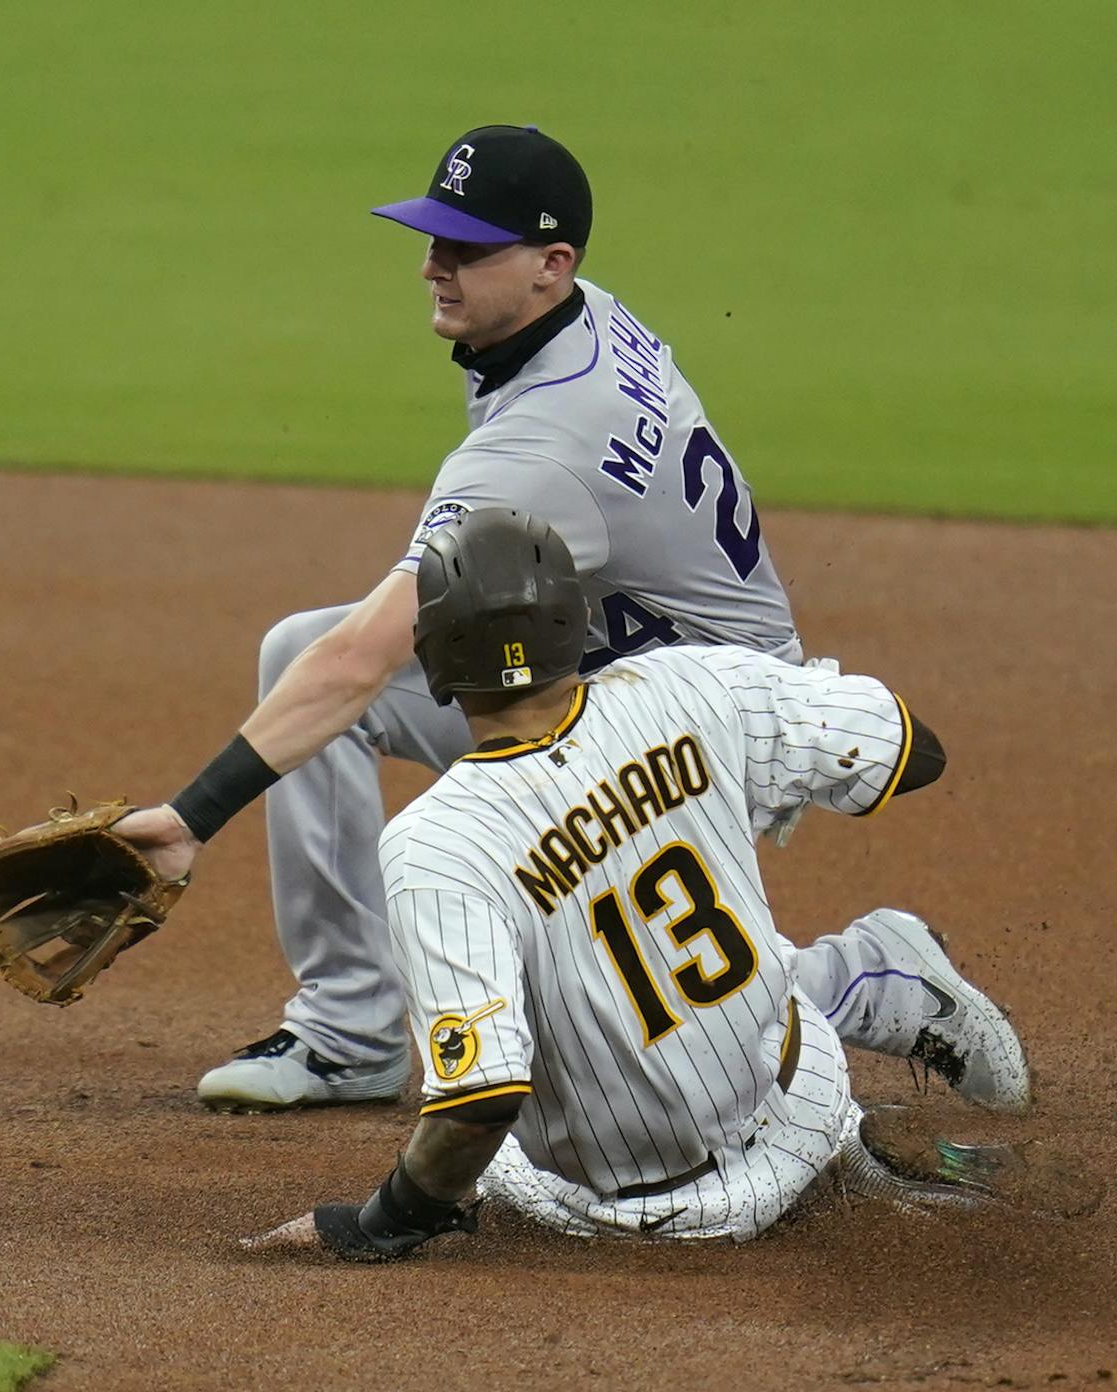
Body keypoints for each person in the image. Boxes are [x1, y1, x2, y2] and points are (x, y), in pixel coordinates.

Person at [115, 124, 809, 1110]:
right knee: (296, 654)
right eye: (432, 237)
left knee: (600, 988)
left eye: (467, 249)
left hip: (712, 738)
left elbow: (363, 657)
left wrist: (191, 818)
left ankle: (862, 979)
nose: (434, 267)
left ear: (549, 264)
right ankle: (351, 1031)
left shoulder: (542, 444)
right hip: (666, 677)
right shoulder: (581, 320)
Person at [244, 509, 1040, 1258]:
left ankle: (862, 1110)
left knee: (504, 1145)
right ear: (571, 624)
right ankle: (866, 1139)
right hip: (809, 1097)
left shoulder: (436, 844)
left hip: (653, 1216)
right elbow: (913, 753)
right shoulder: (689, 687)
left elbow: (476, 1103)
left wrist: (379, 1225)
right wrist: (682, 797)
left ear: (434, 662)